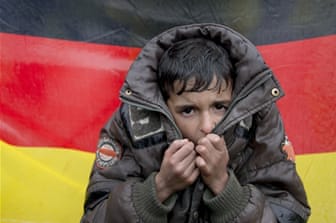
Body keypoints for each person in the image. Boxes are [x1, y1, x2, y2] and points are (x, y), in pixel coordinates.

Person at [81, 23, 310, 223]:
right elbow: (94, 215)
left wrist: (224, 186)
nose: (208, 126)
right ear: (164, 106)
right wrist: (160, 188)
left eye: (220, 107)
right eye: (188, 110)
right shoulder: (130, 123)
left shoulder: (258, 118)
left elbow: (290, 213)